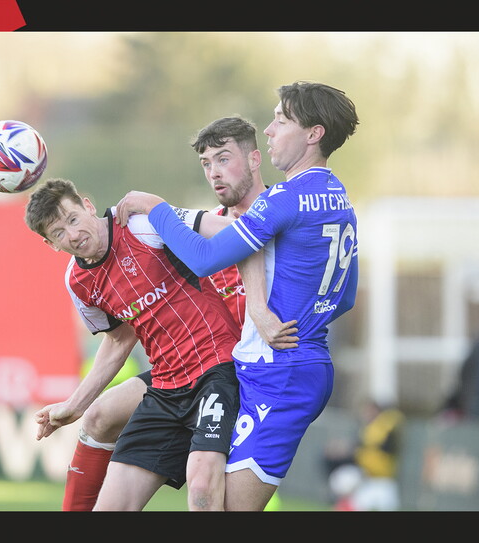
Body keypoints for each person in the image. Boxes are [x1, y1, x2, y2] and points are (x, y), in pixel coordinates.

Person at [115, 80, 361, 510]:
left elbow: (206, 257)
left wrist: (156, 208)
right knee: (206, 496)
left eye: (281, 120)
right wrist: (279, 313)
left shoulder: (287, 197)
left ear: (314, 133)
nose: (268, 130)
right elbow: (346, 296)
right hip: (288, 365)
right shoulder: (338, 195)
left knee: (228, 510)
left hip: (281, 371)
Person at [52, 116, 285, 511]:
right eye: (206, 164)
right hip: (178, 374)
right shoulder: (209, 222)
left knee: (210, 493)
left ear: (255, 159)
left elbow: (247, 240)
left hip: (239, 369)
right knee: (99, 415)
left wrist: (151, 205)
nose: (214, 172)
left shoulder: (281, 216)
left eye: (222, 160)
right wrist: (73, 404)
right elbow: (122, 335)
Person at [25, 177, 243, 511]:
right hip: (167, 385)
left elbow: (232, 232)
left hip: (219, 368)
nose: (73, 235)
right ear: (50, 244)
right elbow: (120, 337)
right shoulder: (78, 281)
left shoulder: (139, 223)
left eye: (72, 219)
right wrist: (74, 404)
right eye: (58, 233)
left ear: (87, 205)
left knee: (201, 490)